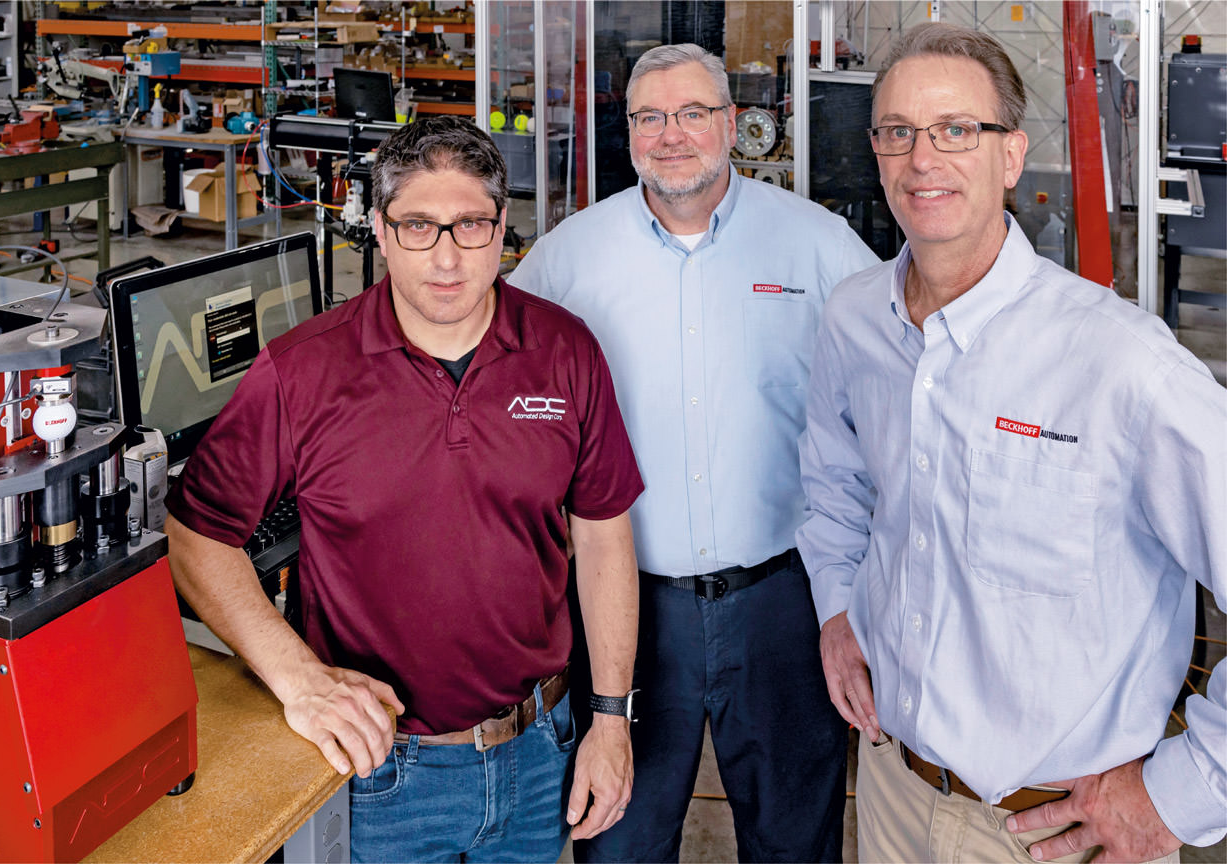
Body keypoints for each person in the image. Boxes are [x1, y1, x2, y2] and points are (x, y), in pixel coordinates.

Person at [797, 21, 1226, 863]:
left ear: (1011, 154)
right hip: (892, 791)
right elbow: (833, 483)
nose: (924, 159)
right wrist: (839, 607)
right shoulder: (854, 319)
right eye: (898, 133)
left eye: (958, 130)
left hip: (1061, 831)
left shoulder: (1122, 366)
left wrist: (1183, 794)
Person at [164, 116, 646, 863]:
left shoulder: (565, 350)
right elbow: (197, 531)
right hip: (378, 772)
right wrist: (297, 679)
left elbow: (604, 533)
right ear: (381, 234)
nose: (447, 258)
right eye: (418, 226)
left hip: (538, 751)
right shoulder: (303, 371)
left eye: (470, 226)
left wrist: (610, 720)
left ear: (502, 232)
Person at [512, 43, 880, 863]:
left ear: (732, 124)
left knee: (796, 837)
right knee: (622, 839)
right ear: (629, 130)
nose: (670, 135)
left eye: (691, 114)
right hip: (626, 613)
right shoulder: (569, 258)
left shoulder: (817, 246)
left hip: (783, 602)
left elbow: (896, 390)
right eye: (649, 116)